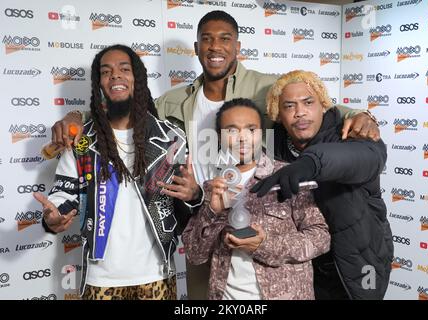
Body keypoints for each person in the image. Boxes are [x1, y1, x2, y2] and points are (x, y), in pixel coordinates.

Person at [48, 10, 380, 299]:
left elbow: (308, 100)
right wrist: (77, 119)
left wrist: (359, 114)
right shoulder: (174, 101)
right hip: (201, 219)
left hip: (257, 218)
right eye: (206, 39)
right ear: (196, 48)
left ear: (238, 46)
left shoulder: (265, 86)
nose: (215, 47)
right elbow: (123, 113)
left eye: (225, 39)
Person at [33, 44, 203, 300]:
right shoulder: (82, 141)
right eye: (106, 71)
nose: (115, 75)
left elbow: (188, 206)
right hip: (100, 279)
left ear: (138, 79)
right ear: (99, 83)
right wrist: (53, 217)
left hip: (157, 274)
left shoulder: (170, 139)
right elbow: (61, 196)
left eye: (125, 69)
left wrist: (194, 195)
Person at [251, 70, 393, 300]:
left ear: (323, 105)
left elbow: (369, 158)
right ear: (278, 114)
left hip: (358, 262)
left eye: (308, 102)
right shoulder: (271, 145)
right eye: (289, 106)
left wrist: (311, 163)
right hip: (300, 266)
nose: (300, 112)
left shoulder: (351, 132)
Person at [182, 98, 330, 299]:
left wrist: (264, 245)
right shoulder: (213, 186)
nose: (242, 138)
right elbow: (194, 254)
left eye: (251, 129)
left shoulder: (286, 176)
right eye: (232, 131)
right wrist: (212, 212)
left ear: (261, 134)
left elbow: (320, 238)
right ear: (219, 137)